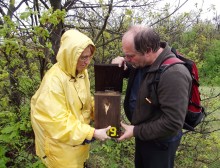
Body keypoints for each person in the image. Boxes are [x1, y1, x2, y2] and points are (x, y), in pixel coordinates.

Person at [112, 25, 192, 168]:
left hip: (160, 145)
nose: (128, 59)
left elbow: (173, 122)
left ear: (148, 50)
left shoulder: (174, 74)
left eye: (130, 56)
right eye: (125, 54)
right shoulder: (143, 62)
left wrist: (135, 131)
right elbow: (143, 76)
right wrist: (120, 64)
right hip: (144, 136)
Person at [31, 29, 111, 168]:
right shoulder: (53, 82)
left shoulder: (80, 72)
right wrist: (91, 132)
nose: (87, 62)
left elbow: (84, 100)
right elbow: (57, 122)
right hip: (61, 149)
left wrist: (101, 110)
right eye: (83, 57)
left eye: (90, 56)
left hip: (77, 143)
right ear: (70, 55)